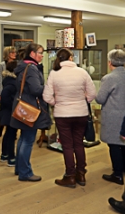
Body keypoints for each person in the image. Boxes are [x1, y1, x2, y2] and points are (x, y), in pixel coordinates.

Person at [43, 48, 96, 188]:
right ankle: (81, 173)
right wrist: (84, 100)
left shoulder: (54, 73)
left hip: (63, 114)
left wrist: (57, 103)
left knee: (67, 146)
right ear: (71, 58)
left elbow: (46, 96)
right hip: (81, 113)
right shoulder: (82, 72)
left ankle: (70, 176)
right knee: (78, 143)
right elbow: (92, 94)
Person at [10, 43, 51, 182]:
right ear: (32, 54)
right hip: (30, 108)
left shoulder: (23, 66)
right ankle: (25, 172)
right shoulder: (32, 69)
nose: (42, 55)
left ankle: (19, 168)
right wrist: (48, 87)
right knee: (28, 140)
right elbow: (36, 89)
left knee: (23, 138)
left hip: (22, 106)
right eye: (40, 53)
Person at [95, 49, 125, 185]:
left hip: (114, 117)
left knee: (114, 145)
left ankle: (117, 174)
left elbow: (100, 99)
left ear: (110, 62)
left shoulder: (109, 78)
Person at [0, 60, 18, 167]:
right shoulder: (12, 83)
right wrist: (14, 106)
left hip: (6, 112)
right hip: (10, 112)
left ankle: (4, 154)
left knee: (8, 134)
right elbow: (5, 96)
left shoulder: (8, 80)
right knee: (11, 135)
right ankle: (11, 158)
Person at [0, 46, 17, 137]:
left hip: (13, 90)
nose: (14, 54)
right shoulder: (2, 65)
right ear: (7, 54)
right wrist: (0, 93)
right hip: (5, 90)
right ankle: (1, 126)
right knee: (3, 110)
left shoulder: (17, 64)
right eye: (12, 53)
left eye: (14, 52)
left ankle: (12, 129)